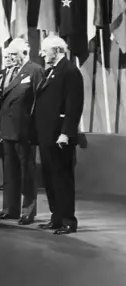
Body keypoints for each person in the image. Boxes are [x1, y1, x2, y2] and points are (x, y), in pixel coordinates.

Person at [32, 36, 84, 235]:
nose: (42, 54)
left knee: (62, 178)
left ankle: (68, 221)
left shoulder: (70, 71)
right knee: (50, 178)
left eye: (46, 51)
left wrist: (66, 133)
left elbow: (74, 106)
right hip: (46, 135)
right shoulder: (51, 71)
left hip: (59, 137)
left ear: (57, 50)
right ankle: (56, 217)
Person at [0, 39, 44, 225]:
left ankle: (28, 212)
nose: (10, 58)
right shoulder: (8, 73)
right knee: (9, 173)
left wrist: (35, 129)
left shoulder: (34, 70)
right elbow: (4, 103)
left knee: (27, 174)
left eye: (13, 55)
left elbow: (40, 102)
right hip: (7, 129)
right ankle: (9, 209)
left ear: (23, 53)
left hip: (24, 131)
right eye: (9, 55)